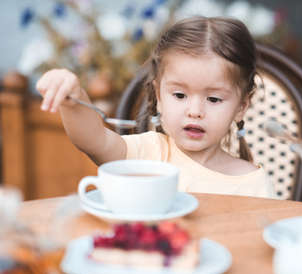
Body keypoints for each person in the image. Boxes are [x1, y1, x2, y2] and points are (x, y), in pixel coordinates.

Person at [36, 16, 274, 198]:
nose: (195, 111)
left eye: (213, 99)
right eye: (180, 95)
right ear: (159, 95)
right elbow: (93, 140)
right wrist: (73, 98)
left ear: (241, 107)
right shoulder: (150, 153)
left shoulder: (253, 184)